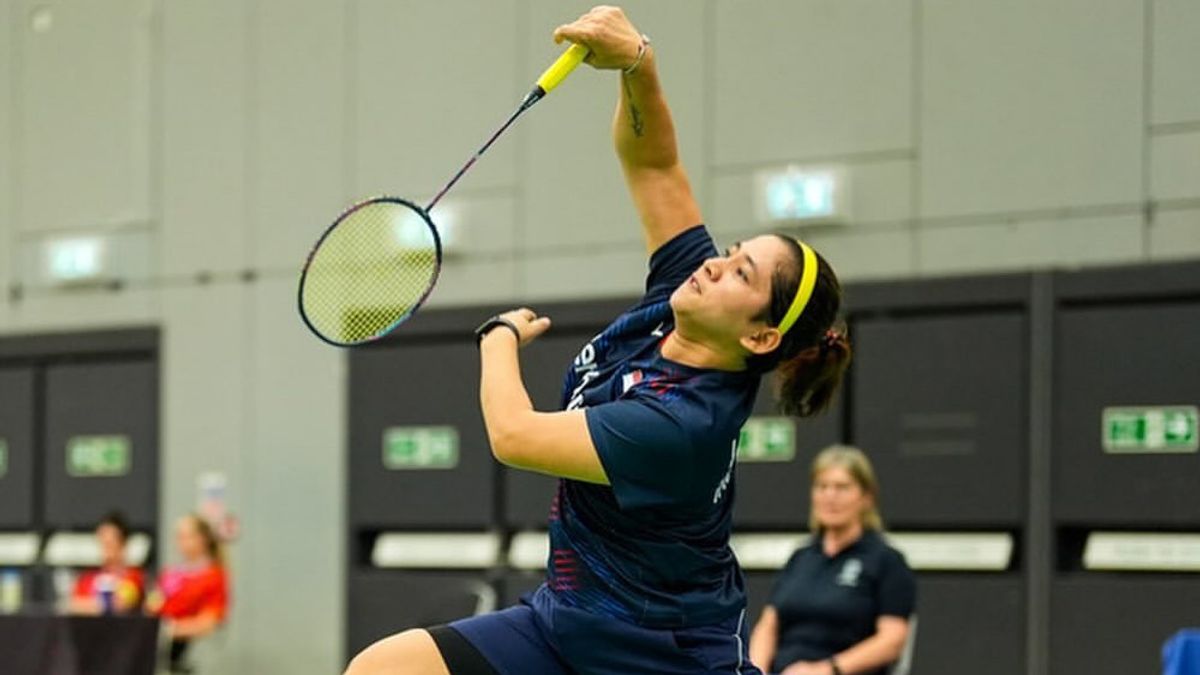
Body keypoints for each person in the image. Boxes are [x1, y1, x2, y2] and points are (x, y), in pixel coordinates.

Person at [345, 6, 851, 675]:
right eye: (730, 250)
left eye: (740, 273)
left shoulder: (684, 425)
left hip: (658, 655)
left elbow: (516, 436)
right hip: (564, 625)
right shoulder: (678, 295)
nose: (714, 263)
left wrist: (496, 339)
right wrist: (638, 64)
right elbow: (655, 165)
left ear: (761, 335)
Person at [748, 446, 916, 675]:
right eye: (822, 487)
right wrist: (756, 671)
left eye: (842, 487)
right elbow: (768, 626)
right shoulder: (801, 557)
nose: (830, 496)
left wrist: (827, 669)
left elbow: (891, 642)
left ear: (867, 497)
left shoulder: (886, 561)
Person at [145, 514, 230, 673]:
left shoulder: (214, 576)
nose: (182, 542)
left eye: (187, 536)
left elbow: (208, 623)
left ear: (203, 539)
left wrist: (169, 630)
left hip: (188, 649)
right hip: (160, 650)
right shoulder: (170, 574)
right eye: (179, 536)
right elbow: (153, 605)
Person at [68, 511, 145, 615]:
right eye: (102, 541)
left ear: (123, 543)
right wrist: (101, 605)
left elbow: (120, 605)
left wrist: (90, 605)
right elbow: (72, 605)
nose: (105, 549)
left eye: (110, 543)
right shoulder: (87, 579)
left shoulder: (132, 577)